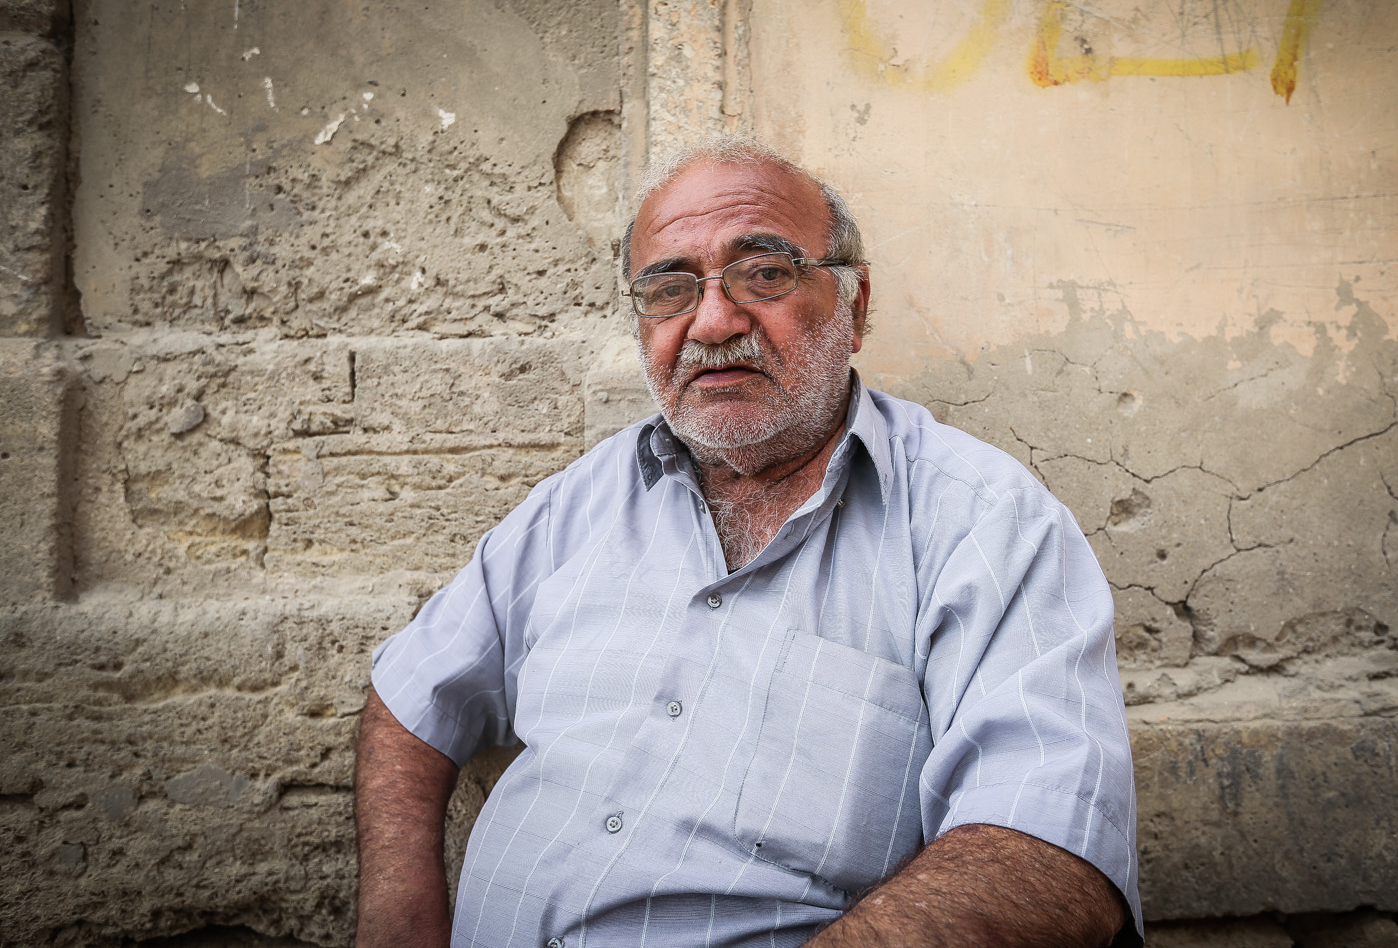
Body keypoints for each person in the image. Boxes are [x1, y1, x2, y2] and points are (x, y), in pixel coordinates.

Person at [355, 140, 1142, 948]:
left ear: (855, 307)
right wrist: (396, 920)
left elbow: (1048, 857)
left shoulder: (982, 521)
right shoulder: (578, 503)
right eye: (669, 288)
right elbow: (414, 694)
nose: (713, 321)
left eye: (764, 274)